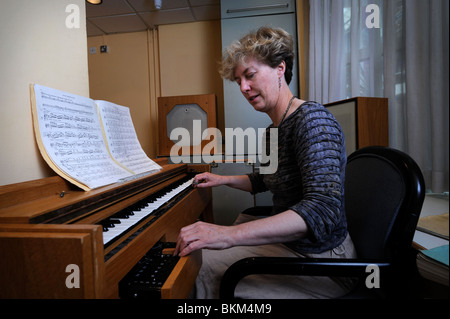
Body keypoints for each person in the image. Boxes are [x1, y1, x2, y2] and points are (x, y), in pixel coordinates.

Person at [174, 26, 357, 299]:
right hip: (291, 245)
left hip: (324, 260)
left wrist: (227, 235)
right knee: (199, 254)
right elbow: (264, 179)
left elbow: (322, 210)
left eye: (250, 75)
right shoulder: (274, 129)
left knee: (196, 267)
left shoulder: (313, 121)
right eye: (238, 81)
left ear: (280, 68)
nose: (244, 88)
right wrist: (221, 180)